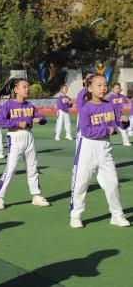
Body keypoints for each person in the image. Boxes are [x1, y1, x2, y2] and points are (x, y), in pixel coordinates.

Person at [70, 74, 130, 228]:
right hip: (87, 148)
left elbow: (121, 125)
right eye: (99, 85)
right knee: (81, 183)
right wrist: (107, 130)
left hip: (105, 148)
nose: (103, 88)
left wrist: (124, 120)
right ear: (90, 88)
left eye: (105, 85)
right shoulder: (85, 108)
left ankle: (117, 215)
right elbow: (86, 131)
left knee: (113, 182)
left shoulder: (111, 105)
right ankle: (75, 215)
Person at [0, 78, 50, 210]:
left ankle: (36, 195)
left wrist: (40, 119)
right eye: (24, 87)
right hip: (15, 136)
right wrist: (17, 123)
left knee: (33, 167)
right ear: (16, 90)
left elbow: (43, 118)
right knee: (11, 168)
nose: (27, 89)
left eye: (28, 86)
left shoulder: (30, 105)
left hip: (29, 136)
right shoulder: (8, 105)